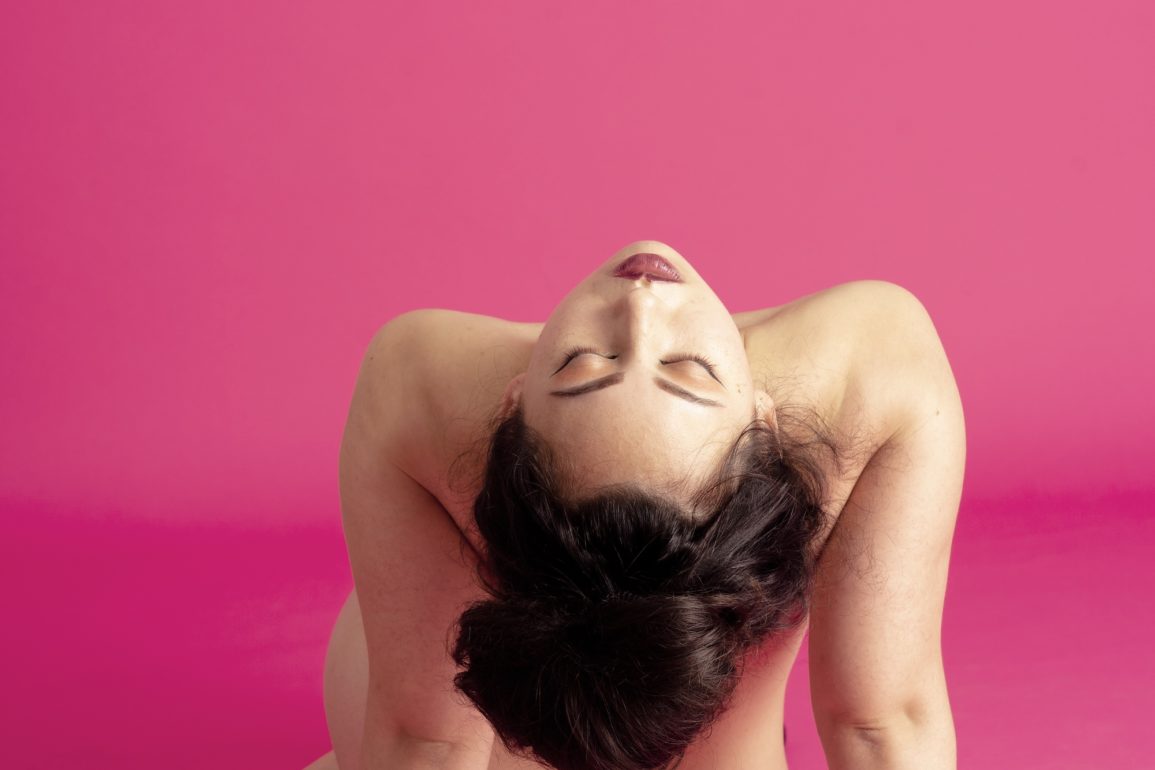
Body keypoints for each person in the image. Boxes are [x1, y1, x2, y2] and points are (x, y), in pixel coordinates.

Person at [304, 240, 966, 770]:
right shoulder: (423, 391)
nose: (642, 306)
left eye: (689, 370)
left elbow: (880, 724)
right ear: (508, 407)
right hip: (510, 718)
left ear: (768, 428)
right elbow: (427, 740)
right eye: (583, 363)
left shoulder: (871, 385)